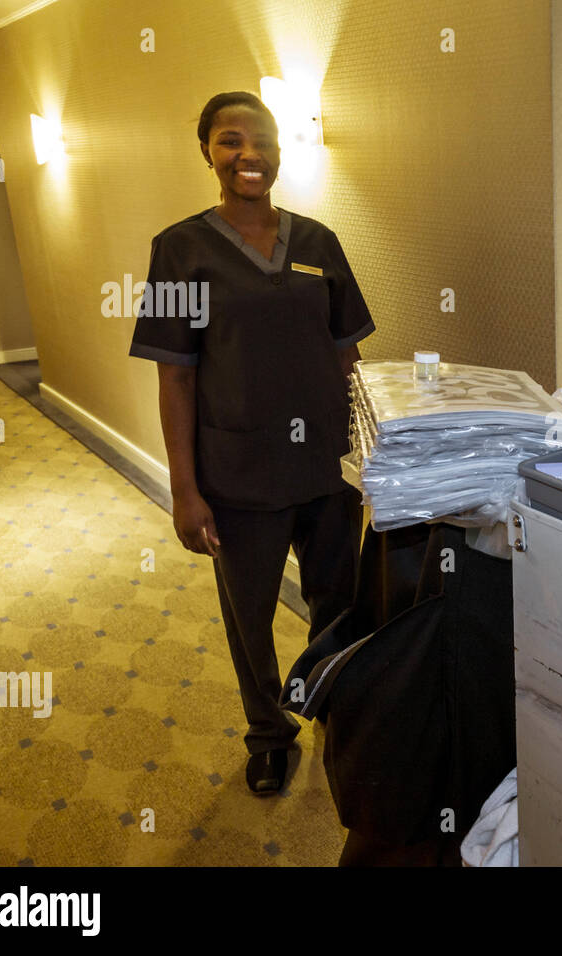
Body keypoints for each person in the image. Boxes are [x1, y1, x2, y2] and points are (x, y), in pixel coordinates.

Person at [130, 91, 375, 794]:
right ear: (206, 150)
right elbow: (174, 378)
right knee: (251, 615)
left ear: (279, 149)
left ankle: (332, 699)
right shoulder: (179, 250)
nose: (249, 155)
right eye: (230, 140)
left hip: (325, 467)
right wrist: (185, 491)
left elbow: (346, 357)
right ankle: (270, 732)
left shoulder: (318, 242)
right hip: (239, 474)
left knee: (339, 597)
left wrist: (371, 450)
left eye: (260, 139)